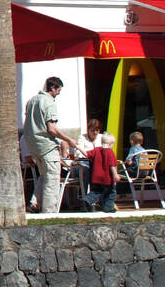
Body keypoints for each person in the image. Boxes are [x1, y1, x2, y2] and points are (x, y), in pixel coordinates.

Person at [21, 77, 77, 214]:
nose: (59, 93)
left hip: (34, 146)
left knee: (44, 176)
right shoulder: (49, 103)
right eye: (59, 90)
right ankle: (48, 212)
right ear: (53, 88)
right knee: (52, 180)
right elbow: (51, 128)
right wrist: (69, 139)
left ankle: (35, 203)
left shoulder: (31, 101)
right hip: (47, 146)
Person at [82, 133, 121, 213]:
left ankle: (87, 199)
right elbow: (112, 165)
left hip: (96, 178)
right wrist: (115, 175)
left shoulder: (96, 150)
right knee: (111, 193)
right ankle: (108, 208)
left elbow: (86, 154)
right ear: (111, 144)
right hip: (107, 178)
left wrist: (78, 147)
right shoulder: (110, 152)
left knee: (96, 191)